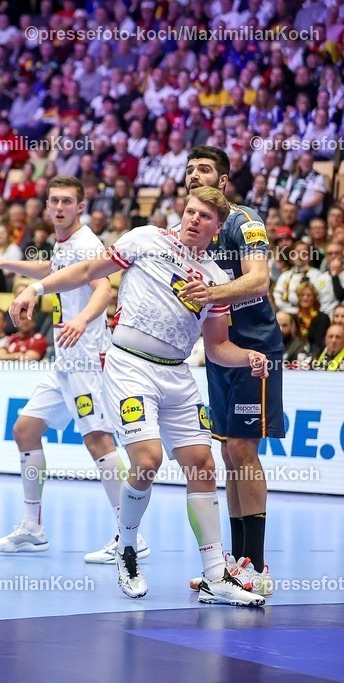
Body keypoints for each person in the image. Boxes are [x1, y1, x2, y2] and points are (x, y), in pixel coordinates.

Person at [10, 187, 267, 607]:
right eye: (189, 211)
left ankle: (215, 576)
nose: (193, 220)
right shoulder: (146, 238)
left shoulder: (218, 280)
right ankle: (126, 549)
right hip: (129, 364)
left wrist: (248, 357)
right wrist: (34, 290)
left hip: (177, 373)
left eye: (204, 216)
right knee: (147, 461)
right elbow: (88, 271)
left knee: (202, 464)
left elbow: (218, 347)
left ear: (217, 229)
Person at [0, 175, 147, 564]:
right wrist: (3, 263)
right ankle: (32, 528)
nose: (60, 207)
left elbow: (103, 288)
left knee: (99, 442)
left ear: (81, 206)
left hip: (87, 358)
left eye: (67, 201)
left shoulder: (88, 243)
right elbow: (53, 268)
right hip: (64, 361)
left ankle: (130, 536)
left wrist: (82, 319)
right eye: (54, 201)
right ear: (47, 205)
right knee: (25, 430)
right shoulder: (64, 243)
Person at [180, 146, 284, 597]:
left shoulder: (246, 222)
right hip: (219, 352)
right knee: (228, 454)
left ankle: (256, 566)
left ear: (223, 181)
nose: (193, 175)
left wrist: (211, 294)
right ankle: (237, 562)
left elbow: (258, 280)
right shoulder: (190, 227)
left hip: (254, 350)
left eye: (204, 169)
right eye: (188, 170)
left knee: (243, 450)